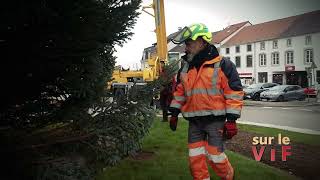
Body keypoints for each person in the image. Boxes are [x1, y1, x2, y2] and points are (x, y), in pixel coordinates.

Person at [169, 23, 244, 180]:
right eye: (185, 44)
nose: (186, 48)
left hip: (215, 121)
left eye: (188, 43)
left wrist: (231, 120)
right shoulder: (185, 67)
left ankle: (229, 177)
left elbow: (234, 93)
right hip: (194, 122)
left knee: (215, 155)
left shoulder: (223, 65)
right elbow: (180, 92)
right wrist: (174, 112)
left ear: (202, 42)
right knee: (195, 158)